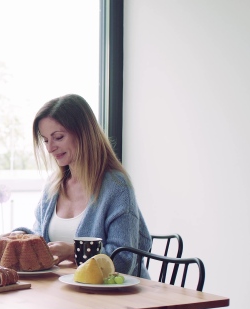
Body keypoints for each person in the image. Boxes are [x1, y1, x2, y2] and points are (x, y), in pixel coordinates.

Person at [13, 94, 152, 278]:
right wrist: (21, 235)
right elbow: (42, 240)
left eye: (58, 137)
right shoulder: (53, 186)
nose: (50, 148)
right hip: (66, 294)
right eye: (46, 140)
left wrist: (73, 251)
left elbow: (124, 260)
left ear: (83, 133)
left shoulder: (116, 187)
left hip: (112, 299)